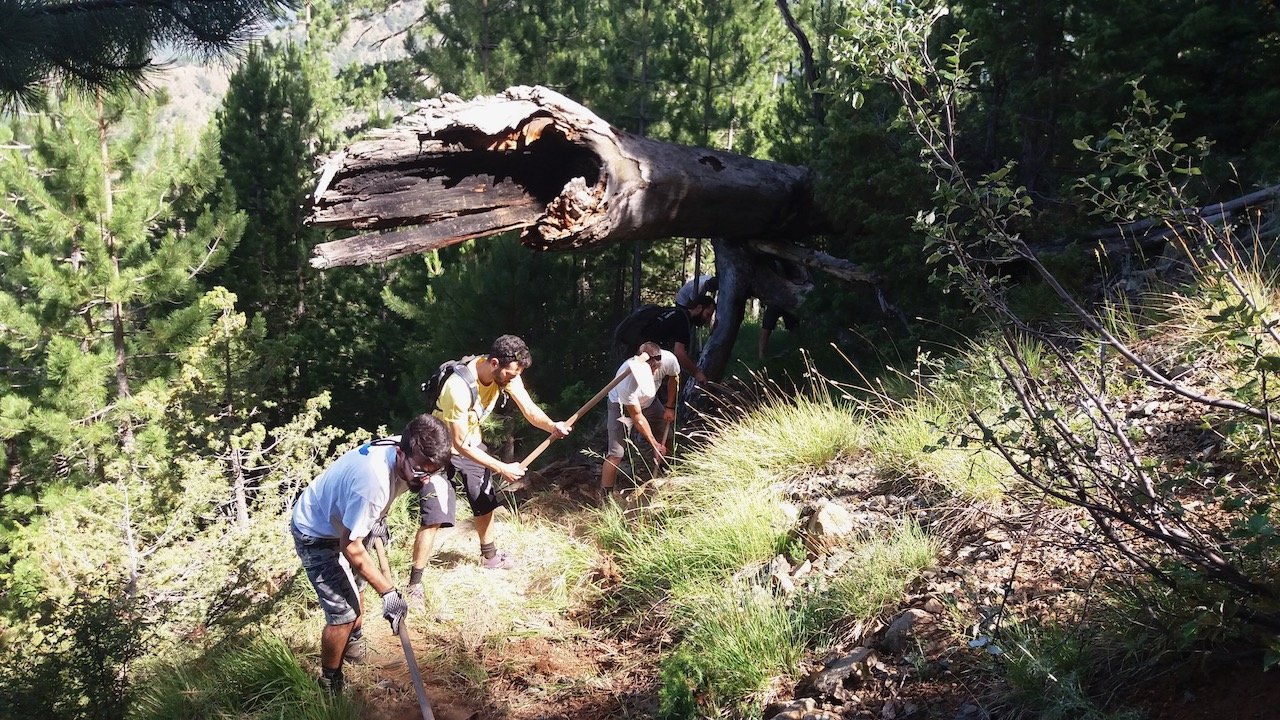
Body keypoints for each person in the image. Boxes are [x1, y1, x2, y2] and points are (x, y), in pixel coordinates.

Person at [290, 414, 451, 695]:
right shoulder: (372, 482)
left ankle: (353, 648)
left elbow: (357, 536)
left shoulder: (409, 453)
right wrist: (389, 593)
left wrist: (376, 521)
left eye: (432, 472)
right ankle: (329, 683)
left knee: (359, 585)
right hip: (316, 530)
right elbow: (350, 547)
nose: (425, 480)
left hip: (348, 522)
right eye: (420, 471)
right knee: (343, 612)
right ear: (401, 453)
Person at [406, 335, 572, 605]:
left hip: (471, 442)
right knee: (435, 515)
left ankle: (490, 557)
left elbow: (529, 410)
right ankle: (415, 583)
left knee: (485, 501)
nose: (513, 378)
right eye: (510, 373)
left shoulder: (508, 374)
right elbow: (457, 442)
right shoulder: (457, 388)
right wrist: (501, 467)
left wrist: (553, 426)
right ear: (494, 363)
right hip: (440, 448)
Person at [600, 341, 679, 500]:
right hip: (621, 405)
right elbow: (636, 417)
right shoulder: (626, 378)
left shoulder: (668, 360)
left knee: (667, 435)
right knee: (616, 453)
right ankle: (606, 497)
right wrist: (654, 444)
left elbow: (674, 378)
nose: (652, 373)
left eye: (654, 370)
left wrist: (670, 406)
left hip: (649, 403)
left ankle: (667, 474)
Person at [639, 295, 716, 384]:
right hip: (646, 359)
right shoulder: (683, 320)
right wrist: (697, 373)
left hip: (640, 354)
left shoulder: (677, 312)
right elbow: (679, 353)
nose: (708, 319)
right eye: (707, 314)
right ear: (699, 308)